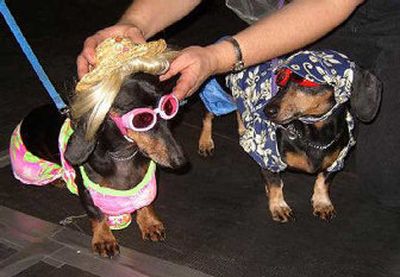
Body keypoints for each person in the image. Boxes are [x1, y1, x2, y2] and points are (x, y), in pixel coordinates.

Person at [77, 0, 400, 207]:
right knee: (382, 184)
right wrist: (136, 23)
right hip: (304, 12)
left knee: (390, 181)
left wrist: (219, 57)